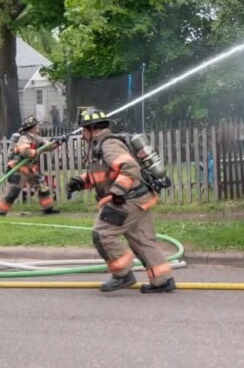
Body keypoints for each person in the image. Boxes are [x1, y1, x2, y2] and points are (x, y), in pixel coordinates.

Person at [65, 107, 175, 294]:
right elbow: (105, 175)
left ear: (91, 129)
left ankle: (122, 275)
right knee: (143, 241)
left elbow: (129, 167)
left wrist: (117, 192)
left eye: (83, 129)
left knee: (103, 234)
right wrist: (81, 182)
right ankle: (162, 280)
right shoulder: (102, 145)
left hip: (127, 200)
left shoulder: (108, 145)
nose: (82, 134)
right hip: (139, 198)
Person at [0, 115, 65, 216]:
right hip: (19, 169)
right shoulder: (23, 138)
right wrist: (34, 152)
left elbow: (47, 146)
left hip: (31, 168)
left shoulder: (37, 138)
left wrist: (58, 142)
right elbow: (25, 152)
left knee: (43, 188)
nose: (38, 127)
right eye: (37, 125)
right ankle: (0, 211)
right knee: (12, 192)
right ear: (32, 127)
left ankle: (48, 208)